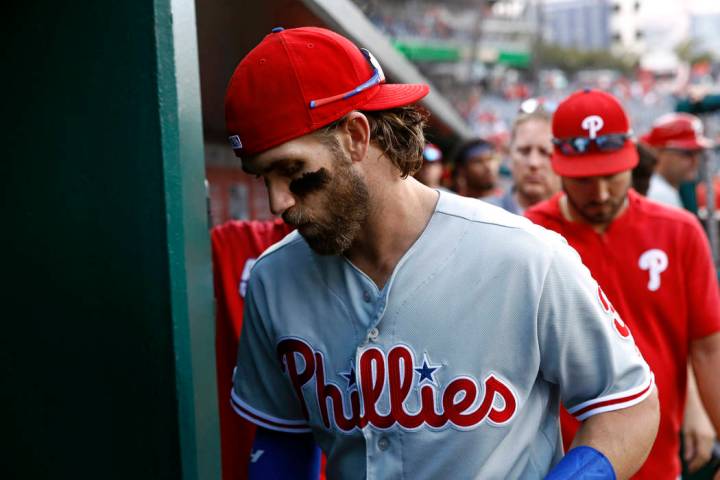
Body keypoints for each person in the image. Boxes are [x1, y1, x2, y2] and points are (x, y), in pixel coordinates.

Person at [225, 27, 659, 479]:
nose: (278, 203)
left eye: (293, 171)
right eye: (262, 178)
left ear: (356, 134)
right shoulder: (271, 279)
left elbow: (627, 406)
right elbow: (281, 434)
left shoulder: (524, 256)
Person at [525, 89, 720, 480]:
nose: (599, 193)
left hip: (659, 461)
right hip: (562, 465)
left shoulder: (679, 232)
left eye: (611, 175)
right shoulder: (527, 237)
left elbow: (708, 349)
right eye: (583, 180)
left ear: (632, 160)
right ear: (559, 166)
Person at [487, 107, 560, 214]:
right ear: (509, 154)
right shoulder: (481, 216)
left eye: (545, 152)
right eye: (524, 151)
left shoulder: (582, 222)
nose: (533, 163)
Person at [642, 113, 712, 209]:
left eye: (697, 153)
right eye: (687, 153)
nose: (695, 161)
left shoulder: (664, 188)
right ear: (657, 152)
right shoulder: (658, 194)